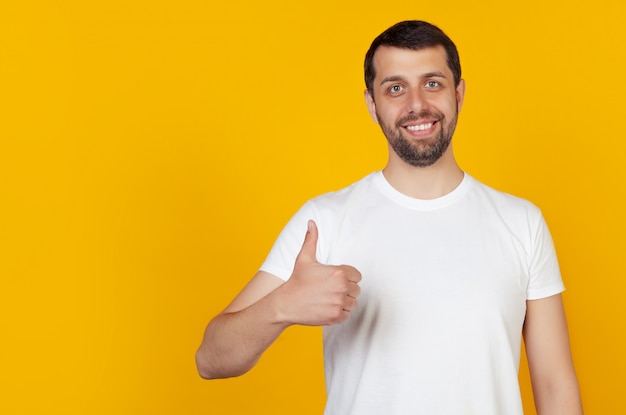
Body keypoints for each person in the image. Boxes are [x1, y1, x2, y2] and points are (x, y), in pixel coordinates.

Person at [196, 20, 583, 414]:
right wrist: (281, 305)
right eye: (395, 88)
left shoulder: (522, 223)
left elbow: (554, 386)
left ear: (459, 93)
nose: (417, 104)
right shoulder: (324, 222)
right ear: (371, 104)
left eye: (432, 83)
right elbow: (210, 360)